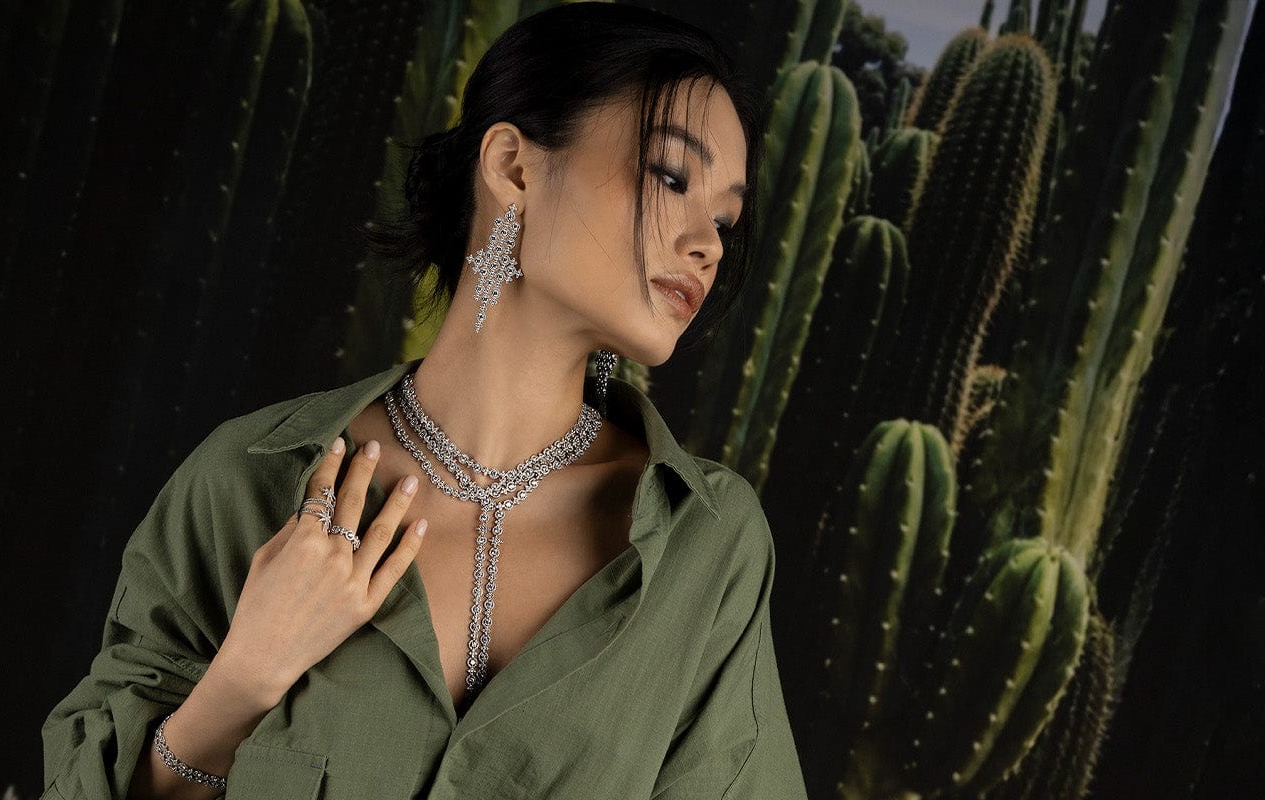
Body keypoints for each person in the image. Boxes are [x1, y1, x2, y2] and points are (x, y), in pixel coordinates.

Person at [40, 4, 807, 798]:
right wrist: (242, 682)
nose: (709, 242)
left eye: (725, 216)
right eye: (671, 178)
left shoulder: (707, 548)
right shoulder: (248, 484)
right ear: (514, 167)